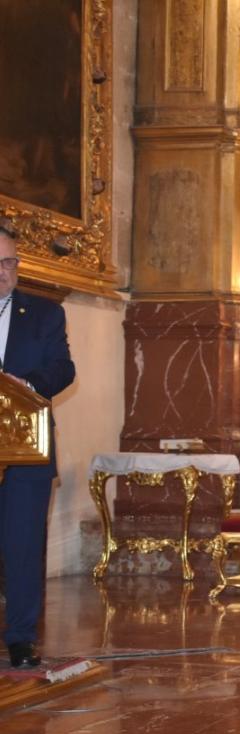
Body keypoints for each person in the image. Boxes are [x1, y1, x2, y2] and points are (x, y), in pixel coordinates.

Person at [0, 227, 75, 668]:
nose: (2, 272)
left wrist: (27, 386)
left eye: (9, 263)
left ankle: (21, 637)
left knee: (23, 544)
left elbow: (63, 368)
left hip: (26, 448)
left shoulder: (45, 314)